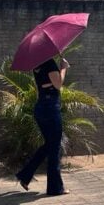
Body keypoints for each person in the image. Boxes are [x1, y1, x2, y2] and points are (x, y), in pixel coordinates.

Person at [15, 56, 71, 196]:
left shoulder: (37, 64)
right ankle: (55, 188)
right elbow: (58, 84)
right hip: (50, 108)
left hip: (41, 107)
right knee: (54, 148)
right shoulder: (50, 63)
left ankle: (25, 175)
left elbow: (40, 88)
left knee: (49, 145)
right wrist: (63, 68)